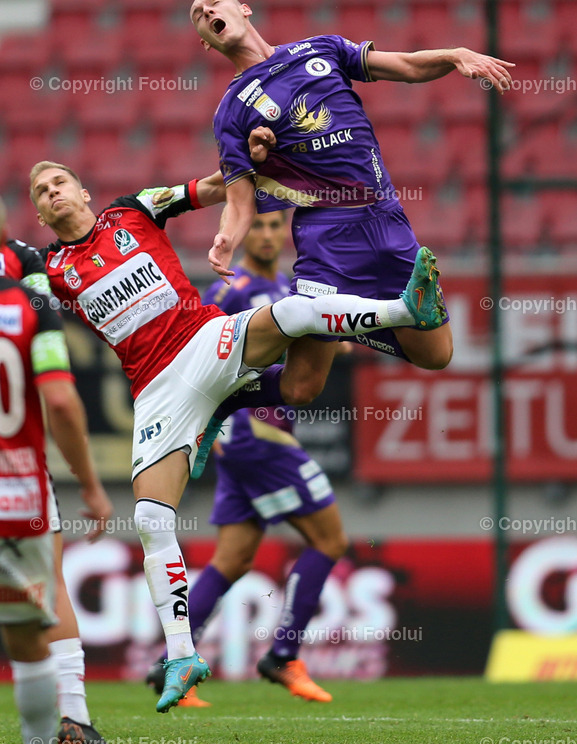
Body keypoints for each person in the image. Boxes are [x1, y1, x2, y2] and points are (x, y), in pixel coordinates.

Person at [29, 160, 445, 713]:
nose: (52, 192)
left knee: (295, 313)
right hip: (156, 390)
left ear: (83, 190)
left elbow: (211, 188)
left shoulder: (132, 210)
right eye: (40, 191)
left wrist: (252, 154)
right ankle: (181, 656)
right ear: (38, 211)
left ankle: (403, 310)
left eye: (59, 182)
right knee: (151, 520)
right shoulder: (52, 271)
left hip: (204, 340)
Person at [190, 0, 514, 408]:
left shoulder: (320, 49)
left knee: (436, 355)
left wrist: (454, 55)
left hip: (386, 218)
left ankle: (347, 321)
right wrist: (226, 240)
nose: (208, 10)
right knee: (301, 389)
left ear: (244, 9)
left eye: (214, 1)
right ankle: (226, 399)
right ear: (206, 41)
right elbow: (239, 200)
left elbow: (407, 66)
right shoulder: (231, 111)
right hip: (327, 237)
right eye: (199, 14)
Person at [146, 210, 347, 705]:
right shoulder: (228, 291)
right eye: (257, 225)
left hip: (250, 441)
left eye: (276, 225)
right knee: (330, 540)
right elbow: (195, 355)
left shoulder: (287, 285)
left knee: (232, 559)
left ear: (286, 232)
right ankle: (283, 655)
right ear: (241, 233)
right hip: (253, 435)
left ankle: (170, 663)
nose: (268, 233)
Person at [0, 197, 111, 744]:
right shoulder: (29, 294)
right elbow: (61, 401)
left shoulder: (30, 265)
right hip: (17, 480)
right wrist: (90, 486)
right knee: (38, 604)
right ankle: (69, 721)